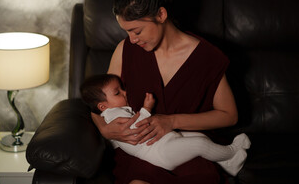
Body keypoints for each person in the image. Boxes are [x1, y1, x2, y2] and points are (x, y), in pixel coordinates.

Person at [91, 0, 240, 184]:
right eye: (127, 32)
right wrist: (103, 128)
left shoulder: (207, 57)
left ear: (161, 15)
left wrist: (171, 121)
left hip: (186, 148)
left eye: (137, 31)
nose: (131, 39)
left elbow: (229, 116)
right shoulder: (125, 50)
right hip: (143, 150)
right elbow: (97, 103)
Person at [81, 74, 250, 176]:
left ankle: (226, 164)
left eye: (122, 89)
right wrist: (146, 108)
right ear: (102, 106)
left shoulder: (115, 111)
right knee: (199, 144)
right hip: (159, 152)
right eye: (118, 93)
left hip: (164, 139)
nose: (125, 93)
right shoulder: (112, 115)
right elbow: (137, 128)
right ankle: (231, 153)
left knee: (200, 136)